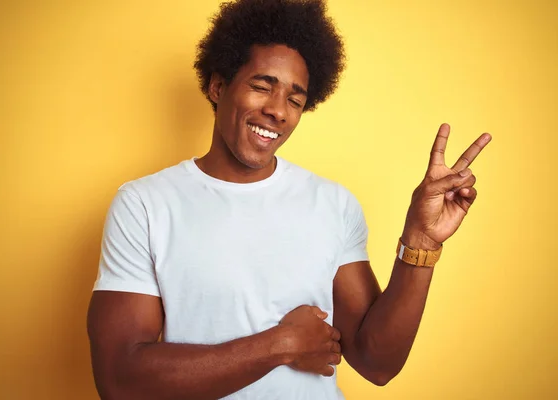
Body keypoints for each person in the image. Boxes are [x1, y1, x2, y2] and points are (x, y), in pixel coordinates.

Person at [87, 0, 492, 399]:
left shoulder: (333, 204)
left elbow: (377, 363)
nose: (278, 111)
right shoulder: (144, 204)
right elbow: (121, 380)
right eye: (262, 86)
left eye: (295, 100)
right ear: (217, 85)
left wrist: (421, 241)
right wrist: (281, 344)